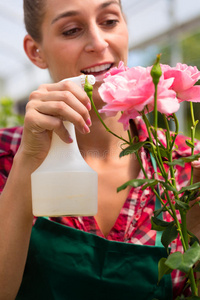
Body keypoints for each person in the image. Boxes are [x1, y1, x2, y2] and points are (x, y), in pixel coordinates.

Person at [0, 0, 200, 299]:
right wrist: (28, 161)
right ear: (35, 51)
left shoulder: (184, 163)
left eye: (109, 22)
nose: (98, 41)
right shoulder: (7, 155)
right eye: (72, 30)